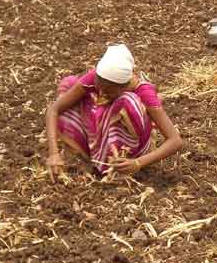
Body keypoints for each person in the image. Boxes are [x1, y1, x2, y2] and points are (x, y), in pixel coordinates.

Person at [45, 44, 183, 180]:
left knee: (128, 101)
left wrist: (138, 163)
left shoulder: (144, 93)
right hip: (98, 138)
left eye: (109, 91)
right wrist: (53, 154)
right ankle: (91, 156)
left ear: (123, 86)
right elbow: (54, 110)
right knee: (69, 84)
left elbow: (175, 140)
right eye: (99, 87)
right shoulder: (96, 79)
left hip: (131, 153)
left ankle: (116, 165)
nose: (102, 93)